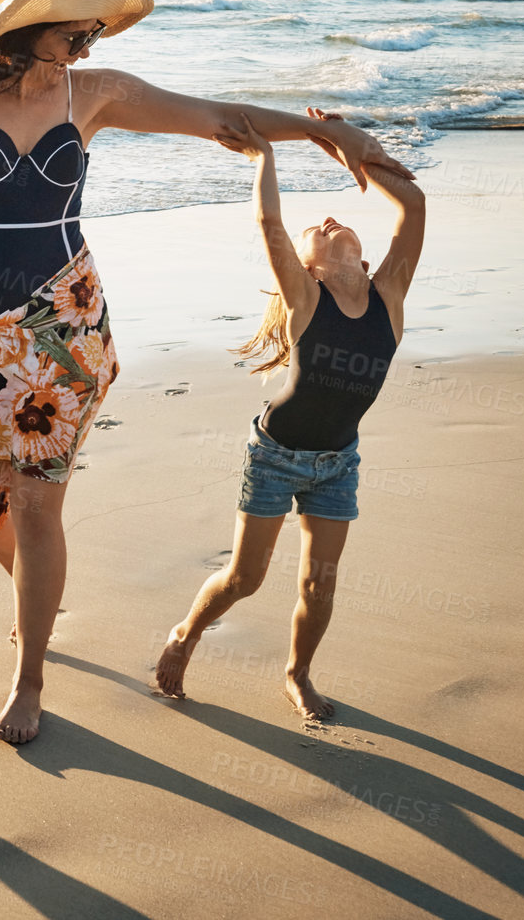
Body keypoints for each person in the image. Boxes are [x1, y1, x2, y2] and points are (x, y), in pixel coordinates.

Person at [0, 0, 413, 745]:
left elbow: (222, 118)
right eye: (74, 34)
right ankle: (34, 597)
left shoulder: (96, 94)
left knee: (40, 503)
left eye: (93, 38)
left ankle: (30, 676)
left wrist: (331, 132)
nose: (86, 50)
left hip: (61, 321)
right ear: (34, 22)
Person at [154, 109, 425, 719]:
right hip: (274, 458)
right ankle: (185, 635)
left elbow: (414, 206)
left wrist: (349, 148)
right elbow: (270, 220)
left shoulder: (390, 295)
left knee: (318, 584)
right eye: (317, 230)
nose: (328, 221)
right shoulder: (306, 299)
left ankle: (298, 675)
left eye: (332, 221)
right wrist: (266, 159)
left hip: (338, 463)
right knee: (245, 580)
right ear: (308, 265)